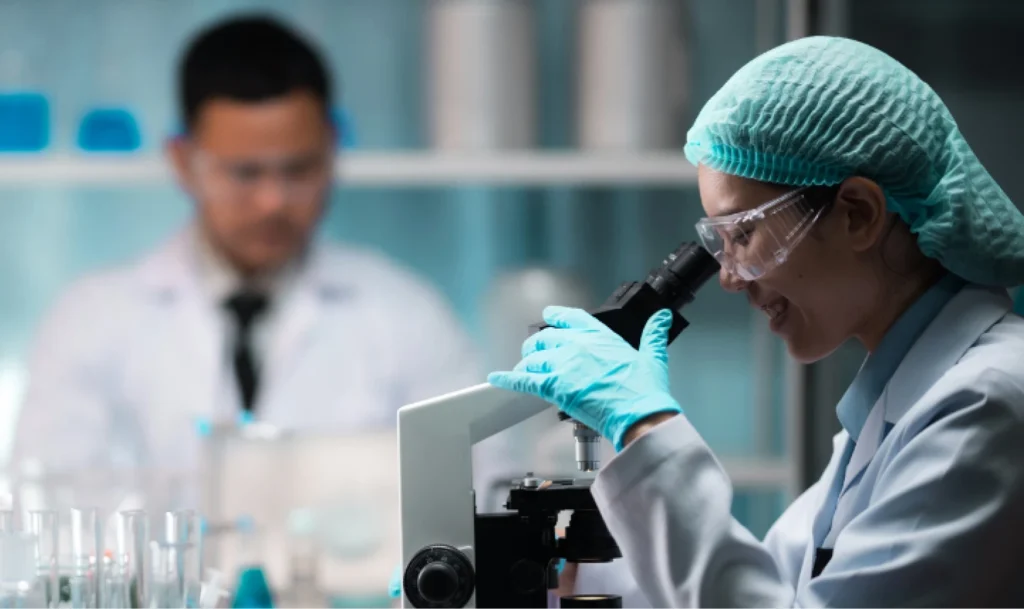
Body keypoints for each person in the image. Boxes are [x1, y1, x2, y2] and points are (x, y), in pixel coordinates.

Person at [490, 36, 1024, 606]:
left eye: (744, 234)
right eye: (720, 242)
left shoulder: (984, 405)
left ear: (859, 214)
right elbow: (768, 587)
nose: (729, 278)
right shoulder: (891, 410)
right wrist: (567, 580)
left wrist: (647, 430)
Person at [11, 15, 479, 477]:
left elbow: (476, 487)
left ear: (332, 149)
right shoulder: (92, 319)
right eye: (245, 173)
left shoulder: (406, 315)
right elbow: (43, 492)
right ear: (183, 161)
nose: (272, 201)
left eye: (298, 170)